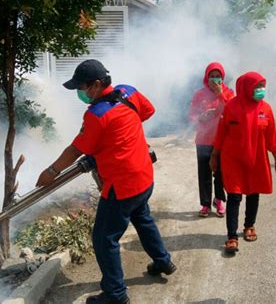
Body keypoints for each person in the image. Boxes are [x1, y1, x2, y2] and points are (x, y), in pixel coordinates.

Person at [36, 59, 176, 304]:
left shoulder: (96, 115)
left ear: (96, 85)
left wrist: (51, 171)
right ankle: (163, 261)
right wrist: (121, 134)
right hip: (144, 177)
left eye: (82, 87)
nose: (80, 92)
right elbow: (148, 111)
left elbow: (75, 150)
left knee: (104, 238)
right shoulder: (128, 92)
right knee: (143, 219)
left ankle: (115, 293)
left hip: (122, 187)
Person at [210, 72, 276, 253]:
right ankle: (232, 236)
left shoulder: (266, 109)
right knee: (234, 196)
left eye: (262, 86)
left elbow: (272, 137)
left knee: (253, 192)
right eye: (256, 86)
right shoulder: (231, 107)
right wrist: (214, 156)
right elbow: (221, 133)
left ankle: (249, 225)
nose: (260, 90)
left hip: (257, 158)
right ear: (245, 88)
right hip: (233, 159)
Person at [189, 62, 234, 217]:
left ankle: (220, 199)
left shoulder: (229, 93)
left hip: (222, 140)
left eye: (218, 76)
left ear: (223, 78)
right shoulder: (199, 94)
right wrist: (200, 118)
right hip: (203, 139)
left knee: (221, 173)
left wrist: (220, 94)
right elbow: (192, 115)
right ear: (206, 78)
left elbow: (231, 112)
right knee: (204, 173)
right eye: (212, 76)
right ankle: (205, 204)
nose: (215, 79)